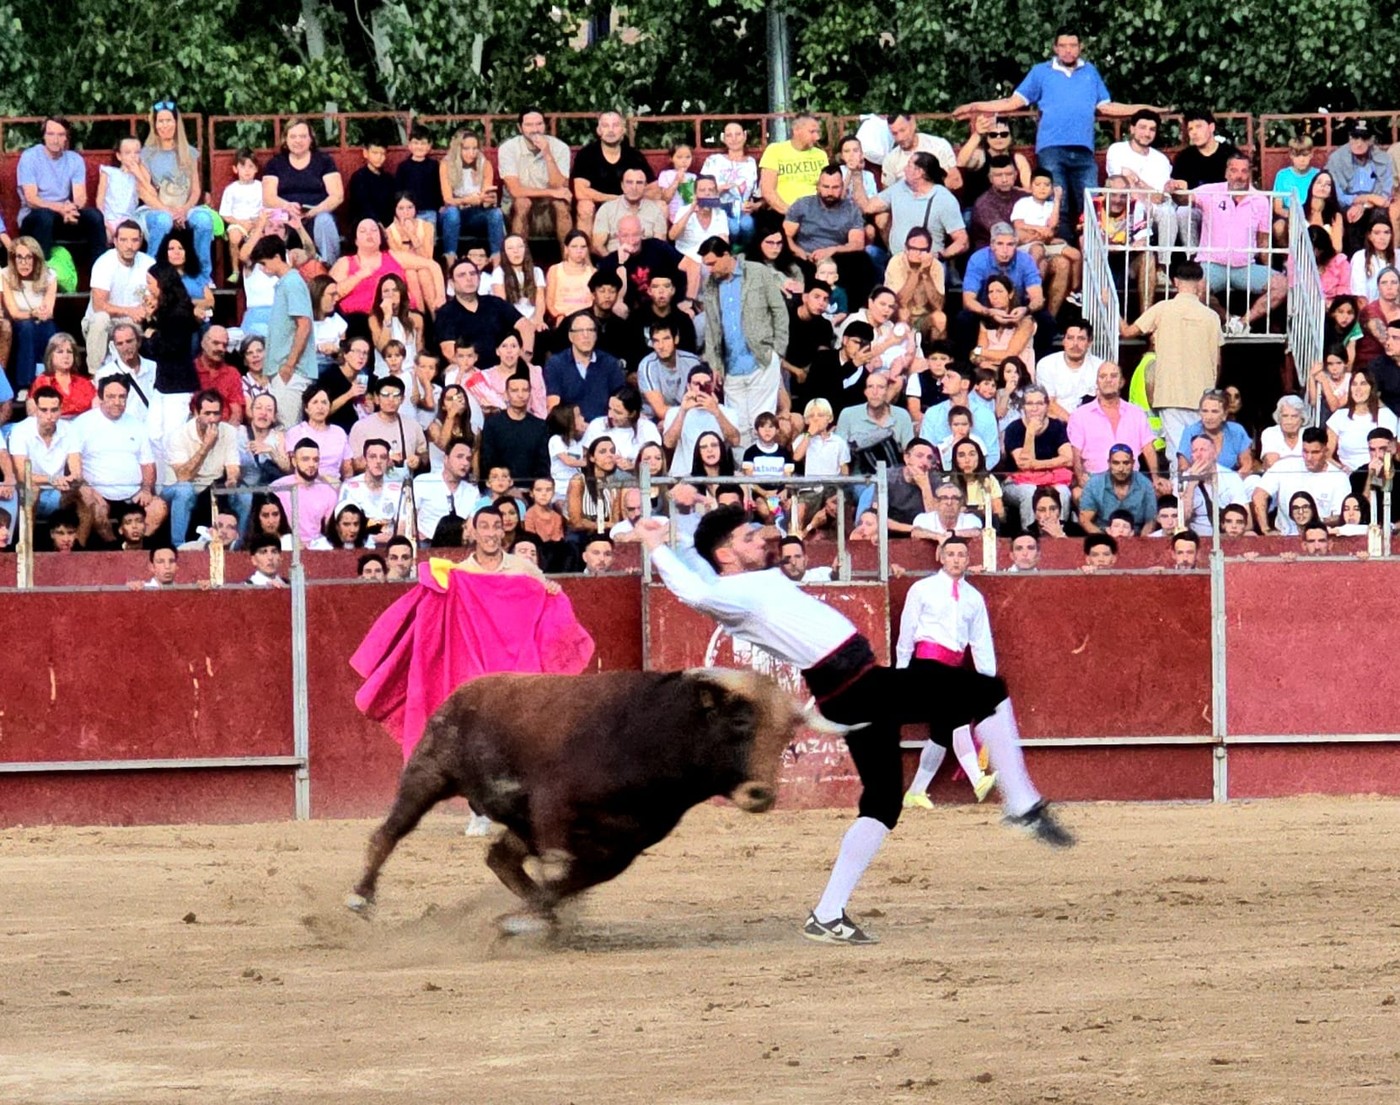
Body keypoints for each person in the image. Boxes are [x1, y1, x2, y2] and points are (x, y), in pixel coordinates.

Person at [640, 507, 1072, 947]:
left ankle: (827, 915)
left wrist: (685, 519)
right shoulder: (733, 595)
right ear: (727, 554)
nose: (762, 541)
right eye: (749, 538)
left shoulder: (746, 581)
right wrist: (656, 545)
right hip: (858, 685)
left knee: (883, 802)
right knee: (989, 691)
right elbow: (693, 588)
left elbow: (698, 564)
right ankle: (1021, 805)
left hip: (850, 687)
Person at [954, 30, 1162, 240]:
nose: (1068, 50)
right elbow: (1012, 103)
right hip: (1051, 149)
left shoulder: (1090, 72)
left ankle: (1089, 253)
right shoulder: (1040, 72)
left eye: (1073, 45)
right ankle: (1064, 251)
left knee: (1092, 205)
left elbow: (1108, 107)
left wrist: (1148, 109)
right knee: (1056, 205)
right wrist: (975, 106)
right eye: (1063, 45)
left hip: (1083, 152)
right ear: (1055, 48)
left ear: (1080, 47)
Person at [898, 537, 999, 808]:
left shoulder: (973, 598)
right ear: (941, 557)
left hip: (953, 667)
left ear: (968, 559)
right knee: (955, 717)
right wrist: (901, 671)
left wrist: (987, 677)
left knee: (943, 731)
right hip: (926, 665)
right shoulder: (922, 589)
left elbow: (980, 641)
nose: (956, 559)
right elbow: (906, 632)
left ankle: (916, 791)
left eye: (961, 554)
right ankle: (978, 778)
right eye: (951, 554)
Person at [1120, 259, 1223, 469]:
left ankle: (1180, 498)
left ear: (1175, 282)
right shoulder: (1211, 316)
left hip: (1170, 394)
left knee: (1178, 453)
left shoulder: (1163, 309)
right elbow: (1218, 362)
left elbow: (1128, 332)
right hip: (1202, 396)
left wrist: (1110, 306)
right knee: (1202, 453)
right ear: (1200, 283)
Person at [697, 237, 789, 447]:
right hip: (731, 366)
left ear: (727, 255)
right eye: (706, 265)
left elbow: (779, 311)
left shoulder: (757, 272)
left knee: (762, 423)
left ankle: (761, 474)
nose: (710, 269)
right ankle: (742, 475)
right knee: (736, 427)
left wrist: (778, 351)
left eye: (712, 263)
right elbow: (712, 327)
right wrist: (715, 364)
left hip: (761, 359)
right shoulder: (710, 284)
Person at [1193, 154, 1286, 334]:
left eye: (1244, 171)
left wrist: (1267, 270)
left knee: (1281, 284)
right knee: (1195, 287)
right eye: (1234, 170)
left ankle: (1243, 323)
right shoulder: (1210, 191)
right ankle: (1228, 320)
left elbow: (1263, 240)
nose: (1239, 175)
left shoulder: (1260, 200)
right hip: (1212, 264)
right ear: (1226, 173)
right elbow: (1184, 200)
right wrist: (1175, 189)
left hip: (1245, 267)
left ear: (1250, 174)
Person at [68, 375, 167, 542]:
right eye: (111, 397)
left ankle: (137, 547)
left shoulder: (137, 425)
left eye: (122, 397)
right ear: (100, 398)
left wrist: (146, 489)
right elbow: (73, 465)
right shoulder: (81, 424)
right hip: (98, 494)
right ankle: (114, 549)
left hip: (133, 494)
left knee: (159, 507)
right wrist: (88, 489)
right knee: (96, 510)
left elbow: (148, 464)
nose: (117, 401)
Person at [1068, 361, 1169, 500]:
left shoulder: (1136, 413)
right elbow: (1076, 452)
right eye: (1102, 376)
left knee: (1161, 490)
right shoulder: (1080, 415)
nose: (1108, 380)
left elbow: (1148, 448)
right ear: (1096, 383)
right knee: (1079, 494)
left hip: (1131, 479)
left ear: (1121, 382)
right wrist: (1080, 478)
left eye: (1113, 376)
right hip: (1096, 479)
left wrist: (1156, 477)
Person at [136, 102, 216, 277]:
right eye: (160, 121)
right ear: (155, 124)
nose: (165, 125)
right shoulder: (146, 154)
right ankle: (150, 273)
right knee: (163, 220)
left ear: (176, 122)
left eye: (169, 120)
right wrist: (168, 212)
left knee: (203, 220)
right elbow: (144, 191)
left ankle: (203, 276)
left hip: (183, 208)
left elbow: (196, 190)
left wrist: (184, 210)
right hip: (156, 209)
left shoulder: (190, 153)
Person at [16, 116, 106, 264]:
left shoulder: (75, 159)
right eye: (50, 134)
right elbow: (32, 199)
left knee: (94, 216)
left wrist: (72, 208)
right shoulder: (30, 157)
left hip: (65, 216)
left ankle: (99, 277)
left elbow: (80, 197)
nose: (55, 139)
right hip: (35, 217)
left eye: (60, 134)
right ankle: (42, 278)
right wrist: (60, 208)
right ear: (44, 136)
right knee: (45, 217)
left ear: (66, 138)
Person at [250, 235, 316, 430]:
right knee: (281, 428)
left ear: (277, 257)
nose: (262, 268)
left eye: (264, 262)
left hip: (291, 371)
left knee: (288, 430)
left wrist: (289, 365)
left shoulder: (292, 282)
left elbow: (304, 324)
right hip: (284, 370)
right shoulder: (286, 283)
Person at [161, 390, 242, 545]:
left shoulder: (229, 432)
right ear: (196, 412)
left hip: (212, 485)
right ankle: (178, 545)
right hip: (177, 487)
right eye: (207, 413)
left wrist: (232, 478)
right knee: (185, 490)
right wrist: (206, 446)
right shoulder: (179, 435)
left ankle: (238, 545)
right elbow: (183, 477)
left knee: (244, 496)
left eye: (216, 414)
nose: (212, 419)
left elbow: (233, 465)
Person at [261, 118, 345, 263]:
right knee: (271, 220)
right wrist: (287, 207)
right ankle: (275, 267)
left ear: (311, 139)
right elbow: (268, 197)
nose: (298, 141)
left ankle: (328, 269)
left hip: (316, 214)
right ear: (285, 140)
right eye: (293, 136)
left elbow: (337, 196)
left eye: (303, 136)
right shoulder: (275, 164)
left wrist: (312, 212)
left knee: (325, 220)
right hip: (285, 213)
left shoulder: (324, 161)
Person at [82, 221, 155, 374]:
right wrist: (130, 311)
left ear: (141, 241)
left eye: (134, 240)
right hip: (101, 322)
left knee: (131, 326)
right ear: (115, 241)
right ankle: (94, 374)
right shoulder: (104, 263)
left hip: (132, 321)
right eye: (124, 240)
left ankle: (132, 373)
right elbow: (99, 306)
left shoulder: (148, 263)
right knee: (101, 318)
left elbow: (154, 298)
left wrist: (147, 309)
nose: (129, 245)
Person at [497, 109, 573, 249]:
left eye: (539, 124)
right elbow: (516, 191)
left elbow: (559, 186)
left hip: (548, 209)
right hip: (515, 208)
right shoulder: (508, 148)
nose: (535, 129)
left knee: (561, 205)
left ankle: (568, 261)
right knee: (523, 202)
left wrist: (547, 153)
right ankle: (520, 262)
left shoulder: (560, 147)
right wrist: (550, 192)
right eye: (529, 125)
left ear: (545, 126)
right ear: (520, 128)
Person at [1251, 427, 1350, 535]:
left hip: (1319, 538)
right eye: (1305, 451)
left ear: (1326, 451)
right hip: (1284, 537)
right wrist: (1266, 529)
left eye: (1315, 452)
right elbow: (1259, 495)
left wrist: (1311, 522)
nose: (1309, 457)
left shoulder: (1339, 478)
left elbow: (1340, 516)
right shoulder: (1284, 466)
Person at [1001, 384, 1074, 528]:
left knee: (1064, 492)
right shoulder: (1013, 429)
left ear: (1047, 406)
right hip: (1017, 483)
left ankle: (1059, 534)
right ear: (1023, 407)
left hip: (1050, 479)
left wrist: (1037, 465)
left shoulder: (1056, 426)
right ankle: (1029, 536)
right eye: (1029, 404)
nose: (1034, 408)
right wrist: (1030, 433)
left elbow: (1068, 458)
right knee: (1030, 492)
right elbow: (1024, 465)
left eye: (1039, 403)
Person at [543, 310, 626, 422]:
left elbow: (621, 404)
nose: (586, 335)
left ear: (596, 335)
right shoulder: (555, 364)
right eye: (580, 331)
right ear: (570, 336)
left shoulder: (610, 363)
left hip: (604, 429)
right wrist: (576, 426)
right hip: (569, 430)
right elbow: (554, 409)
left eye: (590, 330)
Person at [662, 365, 742, 476]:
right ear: (689, 386)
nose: (701, 387)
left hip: (716, 476)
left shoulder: (727, 412)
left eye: (706, 384)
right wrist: (683, 411)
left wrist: (716, 411)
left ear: (712, 386)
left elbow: (735, 441)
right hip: (684, 475)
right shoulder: (674, 412)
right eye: (696, 384)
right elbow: (669, 443)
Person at [2, 235, 58, 390]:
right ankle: (25, 384)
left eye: (28, 257)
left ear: (36, 259)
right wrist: (34, 313)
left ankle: (48, 380)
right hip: (19, 323)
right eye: (19, 257)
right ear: (13, 259)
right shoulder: (5, 275)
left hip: (41, 320)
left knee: (49, 328)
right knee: (27, 327)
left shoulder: (49, 275)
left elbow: (49, 310)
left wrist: (42, 313)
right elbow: (14, 312)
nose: (24, 263)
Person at [1324, 120, 1394, 237]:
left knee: (1379, 215)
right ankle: (1354, 255)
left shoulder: (1384, 159)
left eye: (1364, 138)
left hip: (1373, 205)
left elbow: (1386, 193)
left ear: (1371, 140)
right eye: (1355, 138)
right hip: (1346, 204)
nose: (1359, 143)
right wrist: (1357, 201)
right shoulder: (1336, 159)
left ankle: (1380, 254)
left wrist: (1365, 203)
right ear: (1349, 138)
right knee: (1351, 216)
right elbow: (1337, 194)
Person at [480, 374, 552, 482]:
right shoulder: (493, 423)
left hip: (530, 491)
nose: (520, 395)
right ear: (506, 394)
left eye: (525, 390)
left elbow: (543, 464)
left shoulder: (540, 426)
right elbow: (488, 460)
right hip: (499, 487)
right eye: (514, 390)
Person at [701, 121, 762, 246]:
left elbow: (761, 193)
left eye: (738, 134)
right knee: (732, 227)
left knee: (747, 224)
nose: (734, 139)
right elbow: (700, 191)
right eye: (729, 135)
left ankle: (746, 253)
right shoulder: (713, 160)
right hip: (719, 207)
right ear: (723, 138)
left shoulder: (752, 163)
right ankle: (731, 251)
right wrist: (719, 189)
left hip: (743, 209)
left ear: (745, 136)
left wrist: (754, 206)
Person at [270, 438, 339, 546]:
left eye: (315, 460)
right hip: (285, 541)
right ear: (294, 461)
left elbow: (330, 529)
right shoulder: (277, 488)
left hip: (316, 544)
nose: (311, 464)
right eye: (305, 459)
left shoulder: (328, 492)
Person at [757, 113, 828, 216]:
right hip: (782, 212)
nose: (817, 137)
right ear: (796, 130)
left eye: (818, 132)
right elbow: (768, 191)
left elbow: (825, 188)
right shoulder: (775, 151)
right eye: (812, 132)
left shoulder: (821, 155)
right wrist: (791, 213)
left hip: (814, 213)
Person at [1178, 432, 1248, 536]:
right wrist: (1191, 483)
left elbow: (1246, 519)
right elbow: (1181, 521)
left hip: (1228, 536)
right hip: (1196, 538)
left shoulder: (1231, 477)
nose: (1199, 455)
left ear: (1215, 453)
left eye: (1203, 450)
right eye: (1194, 451)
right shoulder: (1182, 479)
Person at [1079, 442, 1157, 533]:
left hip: (1135, 536)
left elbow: (1151, 521)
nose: (1121, 468)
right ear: (1109, 463)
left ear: (1133, 463)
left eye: (1126, 463)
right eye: (1116, 463)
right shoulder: (1094, 484)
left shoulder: (1145, 484)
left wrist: (1140, 544)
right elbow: (1085, 520)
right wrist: (1105, 543)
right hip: (1103, 534)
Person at [1035, 319, 1102, 421]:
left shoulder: (1100, 367)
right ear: (1063, 341)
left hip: (1090, 423)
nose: (1075, 344)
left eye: (1081, 339)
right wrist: (1074, 424)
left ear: (1089, 342)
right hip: (1055, 422)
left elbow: (1104, 402)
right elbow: (1049, 403)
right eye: (1070, 338)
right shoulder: (1046, 365)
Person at [413, 440, 476, 543]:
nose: (465, 463)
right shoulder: (423, 482)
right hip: (425, 543)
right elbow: (408, 517)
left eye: (468, 459)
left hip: (459, 547)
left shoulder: (472, 492)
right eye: (459, 456)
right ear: (446, 459)